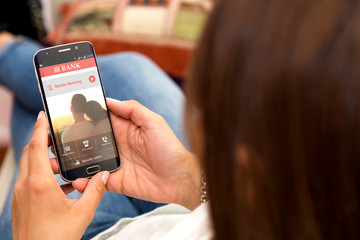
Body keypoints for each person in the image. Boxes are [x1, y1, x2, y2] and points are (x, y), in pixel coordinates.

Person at [1, 0, 360, 239]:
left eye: (202, 105)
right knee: (130, 70)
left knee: (34, 107)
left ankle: (10, 51)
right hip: (188, 207)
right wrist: (192, 181)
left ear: (248, 168)